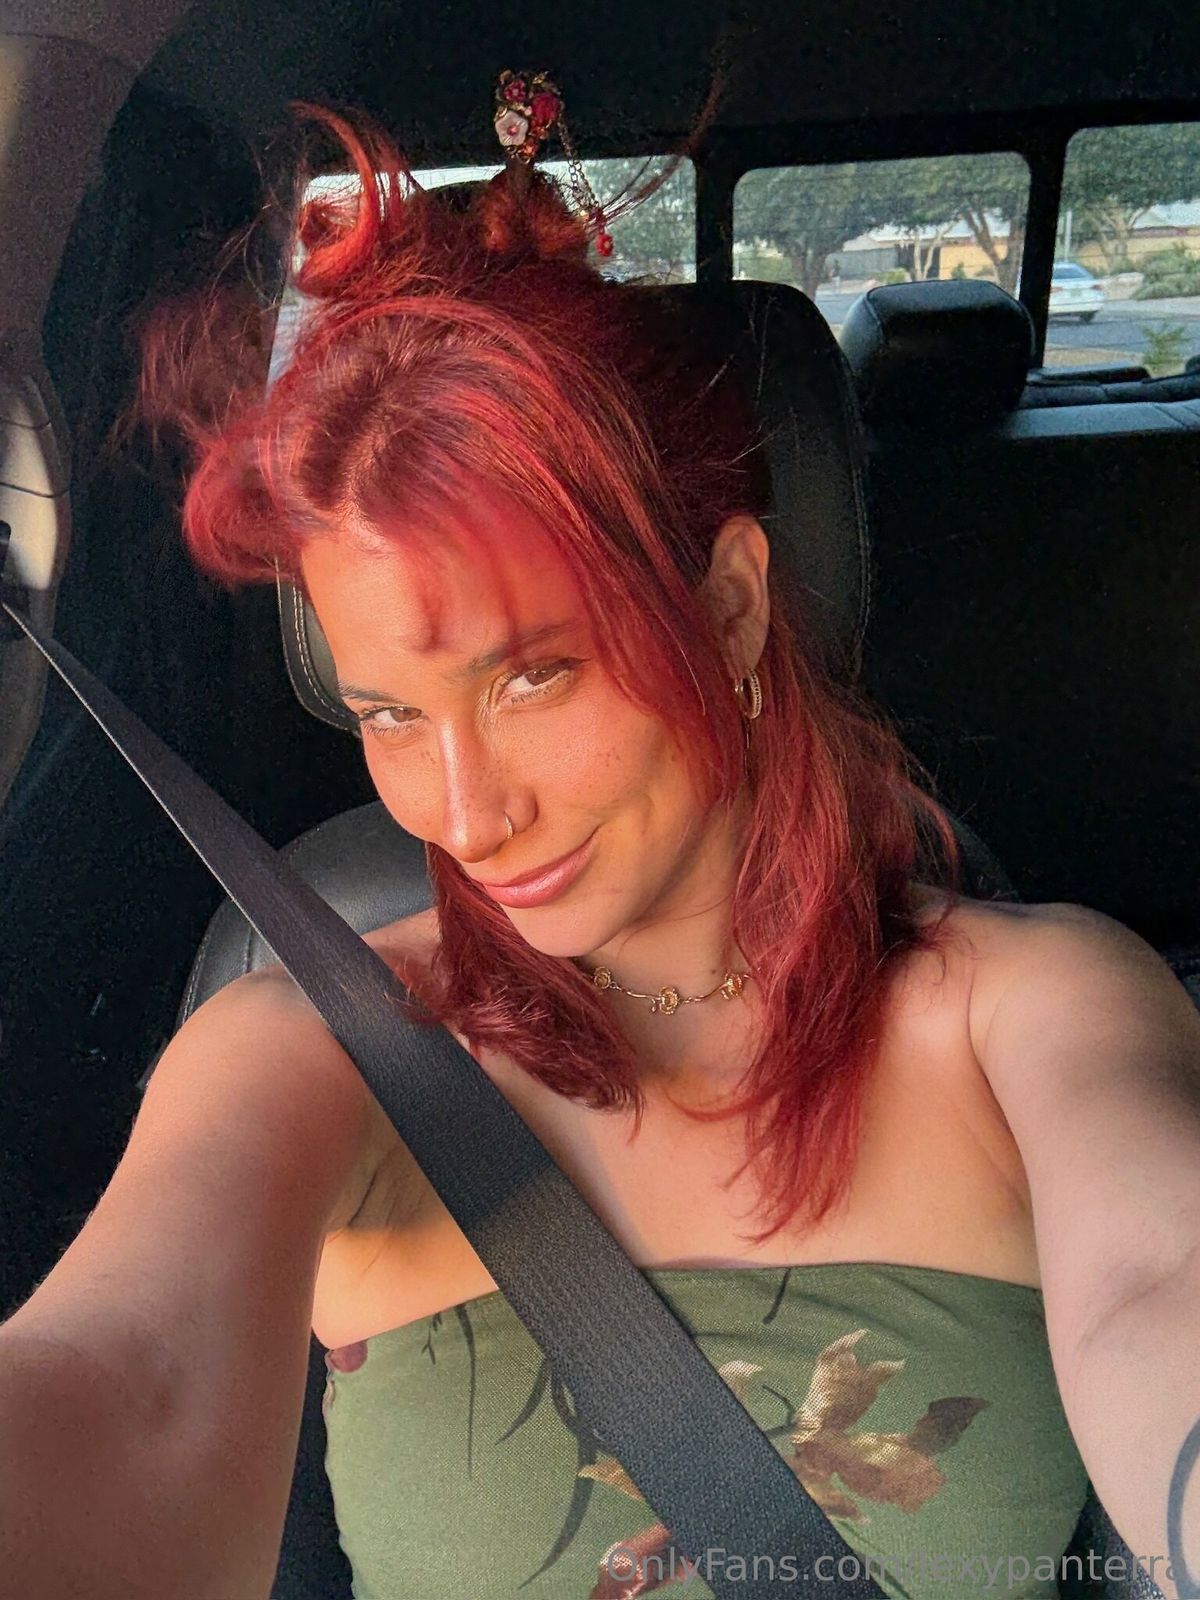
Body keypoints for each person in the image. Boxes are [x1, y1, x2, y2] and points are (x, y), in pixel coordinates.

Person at [2, 86, 1198, 1600]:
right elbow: (134, 1392)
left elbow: (1165, 1286)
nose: (462, 815)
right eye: (390, 713)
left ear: (732, 608)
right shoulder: (312, 1048)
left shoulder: (1033, 1013)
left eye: (532, 677)